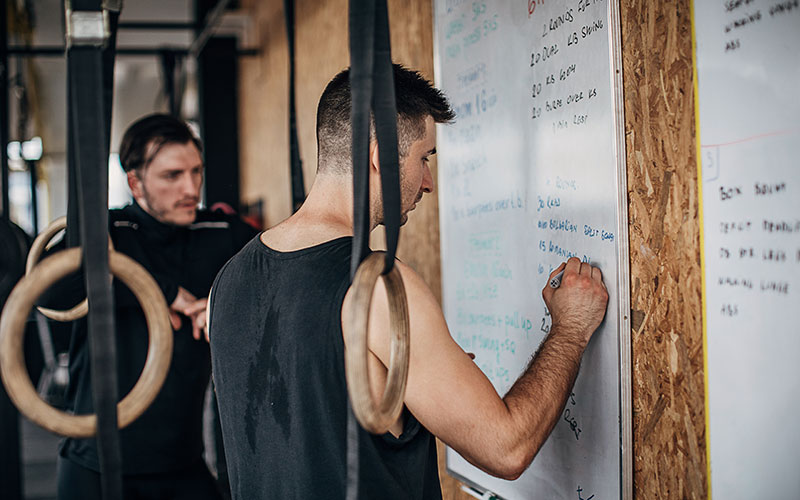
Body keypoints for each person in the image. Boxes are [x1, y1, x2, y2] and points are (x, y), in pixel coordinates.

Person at [208, 65, 608, 499]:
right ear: (379, 157)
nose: (429, 182)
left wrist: (417, 376)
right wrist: (570, 330)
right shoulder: (379, 286)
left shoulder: (228, 280)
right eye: (424, 158)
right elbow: (505, 448)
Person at [50, 114, 258, 499]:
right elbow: (50, 291)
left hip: (181, 463)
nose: (191, 188)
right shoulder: (108, 234)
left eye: (196, 172)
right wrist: (159, 291)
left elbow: (280, 273)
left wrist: (223, 305)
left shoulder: (217, 233)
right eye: (172, 176)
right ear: (135, 182)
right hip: (96, 465)